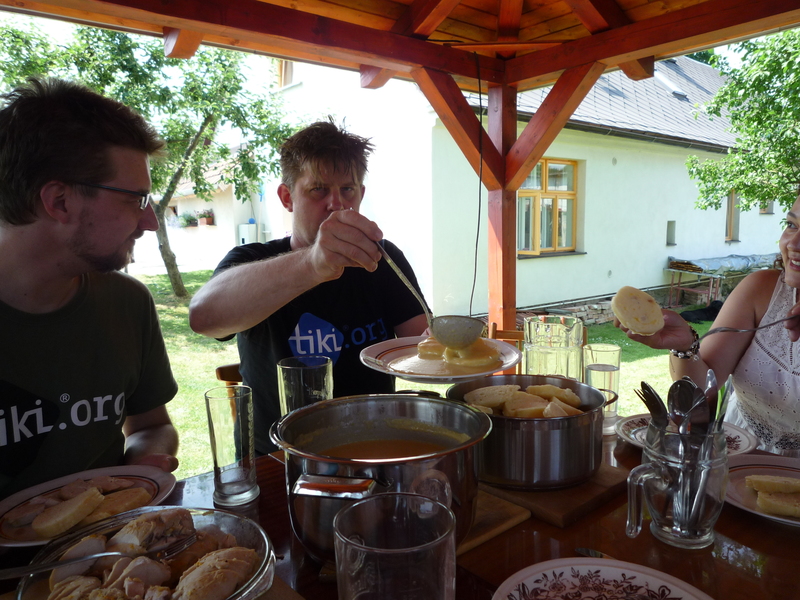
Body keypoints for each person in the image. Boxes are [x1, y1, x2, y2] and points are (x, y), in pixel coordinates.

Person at [189, 119, 428, 454]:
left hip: (373, 446)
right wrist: (313, 263)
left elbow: (422, 345)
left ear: (361, 194)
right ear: (287, 197)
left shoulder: (381, 258)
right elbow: (203, 318)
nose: (336, 204)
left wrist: (446, 347)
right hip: (278, 456)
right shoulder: (252, 260)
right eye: (318, 189)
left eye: (348, 189)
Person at [0, 78, 179, 500]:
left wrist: (142, 464)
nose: (150, 221)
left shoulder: (127, 302)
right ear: (59, 201)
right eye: (135, 199)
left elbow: (152, 425)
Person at [617, 196, 800, 456]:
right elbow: (701, 395)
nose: (793, 244)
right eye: (792, 225)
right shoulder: (761, 290)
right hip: (737, 456)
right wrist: (684, 347)